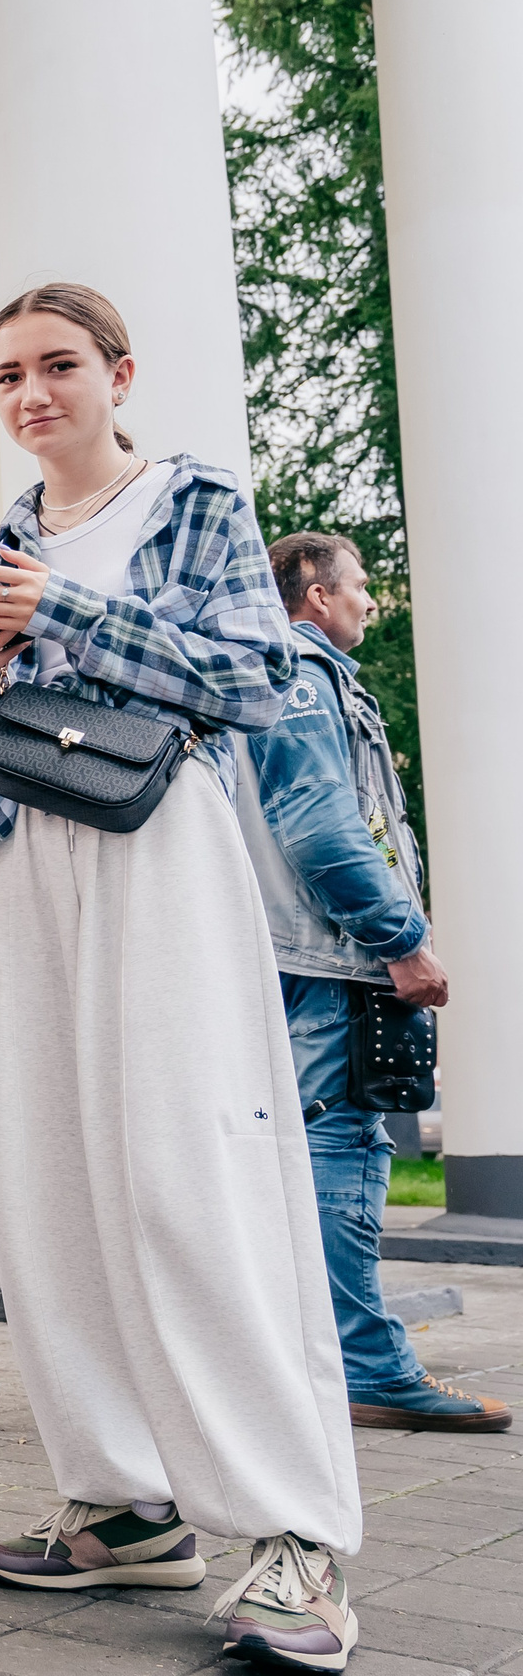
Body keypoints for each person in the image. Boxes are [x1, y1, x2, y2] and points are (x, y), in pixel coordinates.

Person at [0, 284, 362, 1671]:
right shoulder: (9, 532)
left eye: (57, 365)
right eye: (6, 374)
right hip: (24, 855)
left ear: (120, 373)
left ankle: (292, 1535)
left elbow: (257, 681)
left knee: (192, 1174)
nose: (30, 393)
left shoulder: (193, 505)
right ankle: (124, 1508)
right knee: (51, 1180)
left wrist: (69, 613)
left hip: (158, 852)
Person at [240, 532, 498, 1434]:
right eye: (356, 588)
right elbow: (319, 827)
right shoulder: (305, 682)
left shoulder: (290, 678)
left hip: (311, 958)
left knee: (315, 1156)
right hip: (334, 961)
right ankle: (369, 1371)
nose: (367, 603)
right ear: (314, 595)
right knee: (343, 1154)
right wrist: (400, 941)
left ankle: (321, 1363)